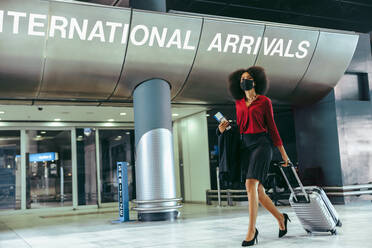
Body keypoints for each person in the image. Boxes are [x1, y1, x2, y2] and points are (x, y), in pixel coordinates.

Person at [218, 66, 291, 246]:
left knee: (250, 184)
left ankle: (252, 230)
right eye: (242, 78)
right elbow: (240, 128)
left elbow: (272, 128)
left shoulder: (264, 101)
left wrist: (284, 155)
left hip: (261, 144)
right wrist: (223, 130)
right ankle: (281, 218)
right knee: (258, 190)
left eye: (248, 78)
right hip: (245, 146)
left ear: (255, 81)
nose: (244, 81)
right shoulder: (239, 103)